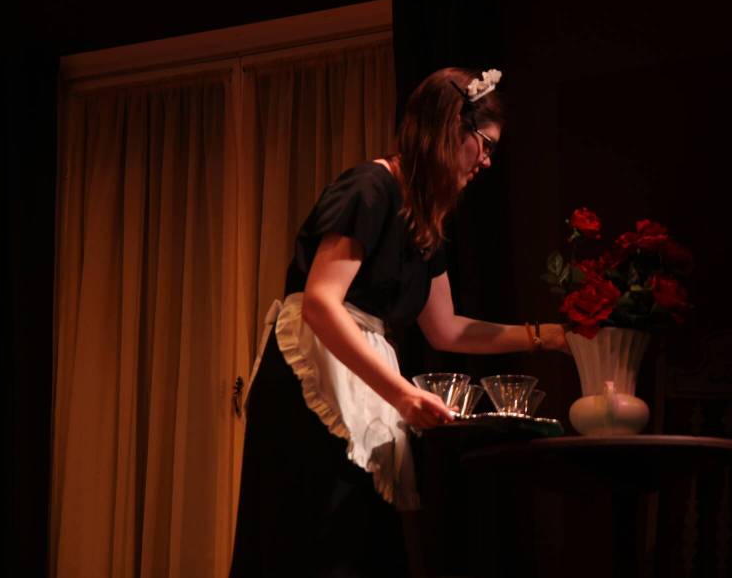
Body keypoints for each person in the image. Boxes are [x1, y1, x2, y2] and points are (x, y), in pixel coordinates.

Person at [229, 66, 568, 577]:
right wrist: (402, 394)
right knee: (315, 538)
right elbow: (322, 302)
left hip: (362, 374)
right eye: (485, 144)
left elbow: (446, 328)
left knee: (361, 541)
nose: (489, 161)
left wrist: (548, 337)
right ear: (451, 128)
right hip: (314, 374)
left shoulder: (424, 216)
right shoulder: (371, 187)